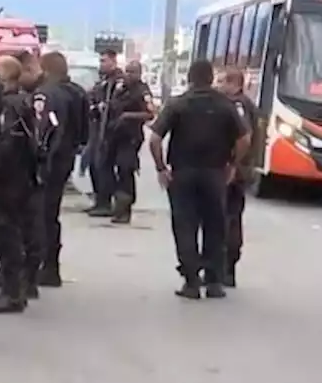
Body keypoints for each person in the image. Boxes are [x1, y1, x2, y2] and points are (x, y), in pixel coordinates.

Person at [148, 59, 250, 300]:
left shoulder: (177, 104)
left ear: (190, 78)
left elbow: (153, 140)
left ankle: (191, 282)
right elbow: (245, 138)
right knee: (215, 225)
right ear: (211, 78)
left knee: (185, 226)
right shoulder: (225, 105)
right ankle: (214, 282)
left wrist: (161, 168)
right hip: (215, 173)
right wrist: (233, 164)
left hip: (182, 174)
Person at [0, 55, 39, 314]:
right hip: (18, 178)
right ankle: (5, 279)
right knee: (5, 231)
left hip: (11, 181)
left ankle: (13, 293)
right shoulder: (15, 103)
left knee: (6, 233)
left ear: (6, 79)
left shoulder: (11, 106)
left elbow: (7, 147)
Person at [35, 51, 88, 286]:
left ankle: (44, 266)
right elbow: (86, 131)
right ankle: (50, 266)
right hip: (66, 158)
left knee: (41, 215)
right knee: (51, 214)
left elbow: (47, 131)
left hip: (50, 161)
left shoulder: (47, 94)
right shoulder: (78, 92)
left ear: (45, 70)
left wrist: (41, 160)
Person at [219, 67, 258, 287]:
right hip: (239, 170)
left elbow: (246, 137)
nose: (219, 86)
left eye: (222, 81)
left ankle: (225, 267)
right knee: (232, 217)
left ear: (235, 84)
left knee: (226, 219)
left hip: (231, 171)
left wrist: (232, 163)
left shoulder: (237, 106)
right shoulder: (245, 104)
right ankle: (227, 269)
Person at [105, 60, 155, 225]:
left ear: (139, 73)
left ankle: (124, 208)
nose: (128, 74)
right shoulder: (121, 89)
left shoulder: (142, 91)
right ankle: (115, 202)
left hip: (131, 136)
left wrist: (129, 116)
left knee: (125, 169)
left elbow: (150, 114)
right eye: (127, 71)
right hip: (114, 135)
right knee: (107, 167)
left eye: (132, 72)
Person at [85, 49, 123, 216]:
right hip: (97, 127)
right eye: (100, 61)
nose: (101, 64)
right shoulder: (102, 81)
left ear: (113, 62)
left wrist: (103, 106)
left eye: (104, 61)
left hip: (109, 130)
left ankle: (106, 203)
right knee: (94, 165)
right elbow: (93, 97)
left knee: (104, 167)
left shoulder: (119, 81)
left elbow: (115, 104)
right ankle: (99, 200)